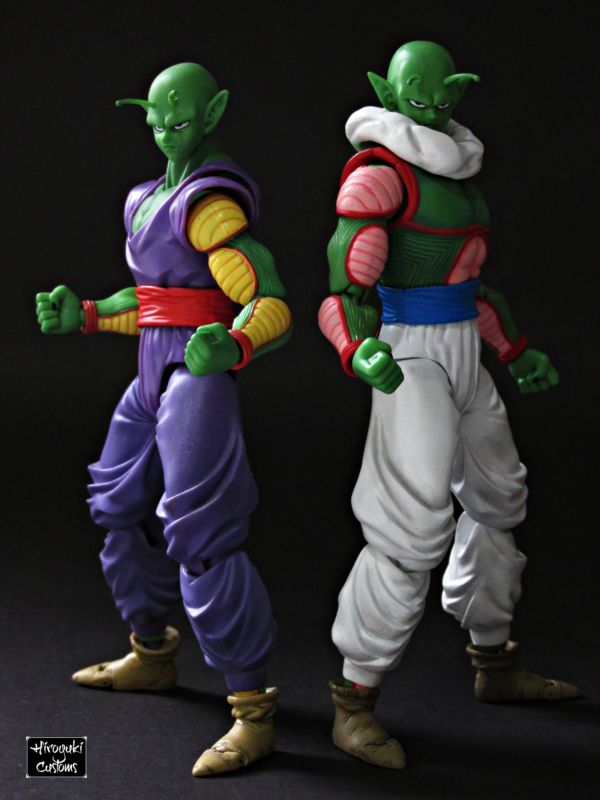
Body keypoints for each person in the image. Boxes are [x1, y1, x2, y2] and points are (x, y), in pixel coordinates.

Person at [318, 40, 580, 770]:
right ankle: (354, 702)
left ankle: (494, 663)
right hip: (410, 354)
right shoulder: (379, 174)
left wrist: (514, 350)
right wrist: (356, 348)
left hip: (464, 345)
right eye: (418, 88)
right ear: (387, 89)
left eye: (445, 88)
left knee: (498, 499)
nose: (432, 100)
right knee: (408, 525)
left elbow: (471, 287)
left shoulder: (460, 173)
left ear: (458, 90)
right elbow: (346, 288)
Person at [35, 62, 292, 777]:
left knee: (202, 536)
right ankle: (152, 654)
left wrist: (235, 343)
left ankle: (253, 711)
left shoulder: (209, 205)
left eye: (178, 117)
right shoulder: (145, 199)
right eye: (153, 118)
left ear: (213, 112)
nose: (164, 129)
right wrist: (87, 315)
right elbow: (152, 300)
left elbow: (268, 299)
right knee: (116, 506)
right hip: (151, 373)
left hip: (194, 379)